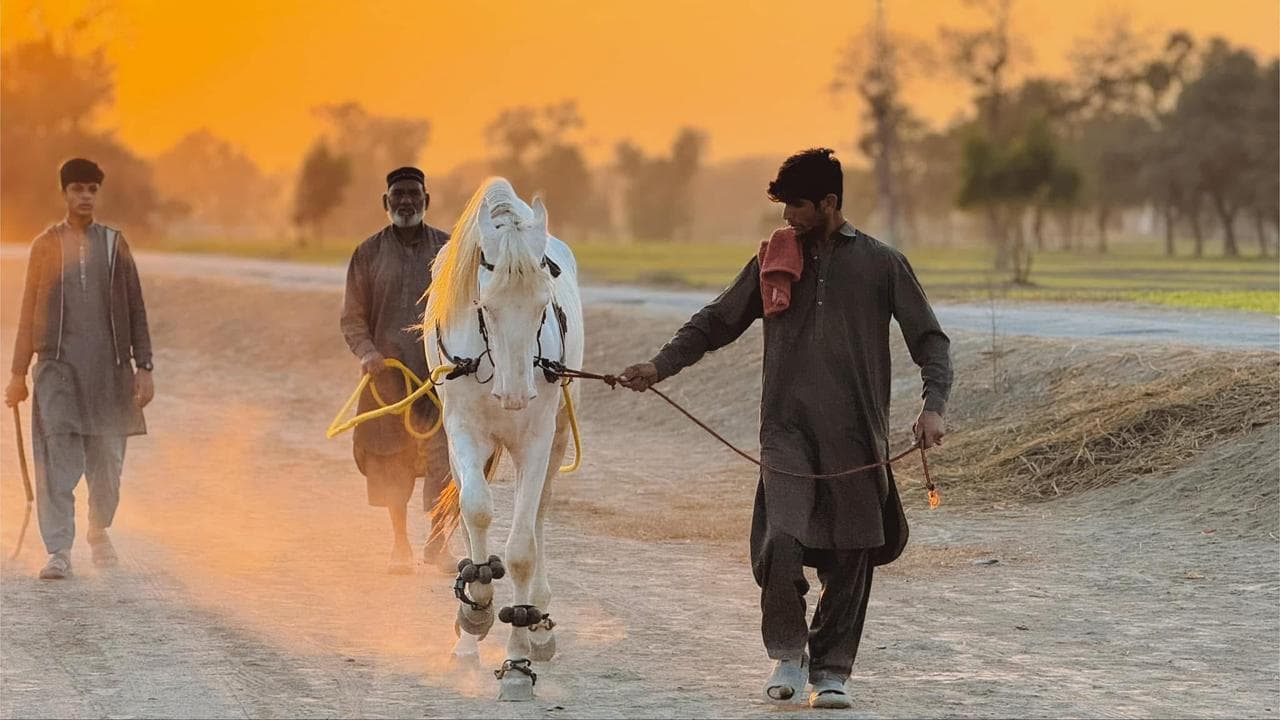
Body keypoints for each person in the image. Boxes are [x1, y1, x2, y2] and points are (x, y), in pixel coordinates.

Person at [617, 148, 953, 709]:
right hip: (785, 430)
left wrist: (934, 406)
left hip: (857, 433)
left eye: (796, 206)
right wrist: (659, 366)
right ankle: (788, 653)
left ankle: (832, 671)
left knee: (853, 551)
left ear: (830, 203)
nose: (787, 218)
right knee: (781, 540)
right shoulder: (774, 258)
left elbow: (930, 341)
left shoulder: (882, 264)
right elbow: (716, 322)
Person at [4, 158, 155, 581]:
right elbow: (28, 311)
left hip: (109, 374)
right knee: (56, 461)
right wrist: (18, 374)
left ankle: (98, 530)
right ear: (65, 194)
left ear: (97, 194)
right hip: (58, 374)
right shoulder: (45, 245)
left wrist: (144, 366)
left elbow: (136, 308)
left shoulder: (114, 244)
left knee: (107, 463)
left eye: (91, 189)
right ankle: (58, 550)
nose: (85, 196)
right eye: (77, 189)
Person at [341, 166, 458, 575]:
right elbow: (352, 319)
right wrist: (367, 353)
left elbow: (466, 310)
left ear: (427, 199)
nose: (406, 201)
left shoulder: (448, 251)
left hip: (438, 379)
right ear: (385, 202)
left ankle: (439, 544)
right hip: (385, 380)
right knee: (392, 462)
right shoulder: (367, 253)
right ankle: (400, 543)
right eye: (398, 194)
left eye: (413, 194)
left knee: (448, 460)